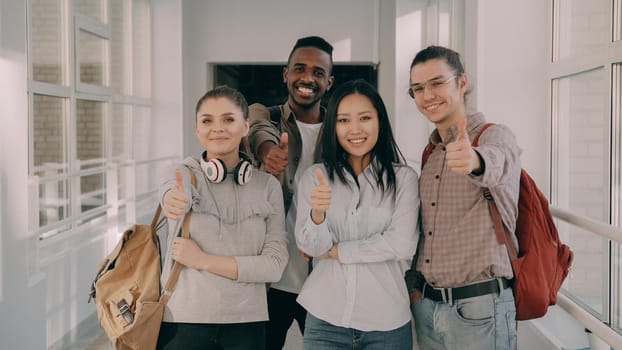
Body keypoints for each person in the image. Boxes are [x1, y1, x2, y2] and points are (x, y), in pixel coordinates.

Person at [405, 45, 521, 350]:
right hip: (428, 308)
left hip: (479, 310)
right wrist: (416, 288)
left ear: (462, 82)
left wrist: (474, 160)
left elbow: (497, 161)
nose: (427, 95)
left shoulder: (494, 136)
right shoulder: (431, 152)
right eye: (418, 88)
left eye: (437, 83)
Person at [157, 86, 288, 350]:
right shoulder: (182, 174)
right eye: (207, 121)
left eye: (228, 119)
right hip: (183, 321)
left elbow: (274, 265)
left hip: (248, 323)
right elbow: (171, 193)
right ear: (197, 129)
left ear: (246, 126)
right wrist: (172, 199)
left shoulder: (268, 187)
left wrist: (202, 261)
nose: (218, 128)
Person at [295, 79, 419, 349]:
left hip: (386, 323)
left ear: (380, 122)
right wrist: (318, 213)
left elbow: (402, 244)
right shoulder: (315, 177)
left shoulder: (404, 179)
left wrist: (337, 251)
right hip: (325, 319)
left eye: (365, 118)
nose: (355, 129)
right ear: (333, 127)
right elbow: (310, 246)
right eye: (343, 120)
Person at [247, 35, 334, 349]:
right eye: (299, 68)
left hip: (323, 278)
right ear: (286, 74)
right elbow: (258, 131)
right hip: (269, 282)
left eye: (318, 72)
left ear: (329, 81)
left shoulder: (339, 131)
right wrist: (269, 152)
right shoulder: (266, 114)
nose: (308, 78)